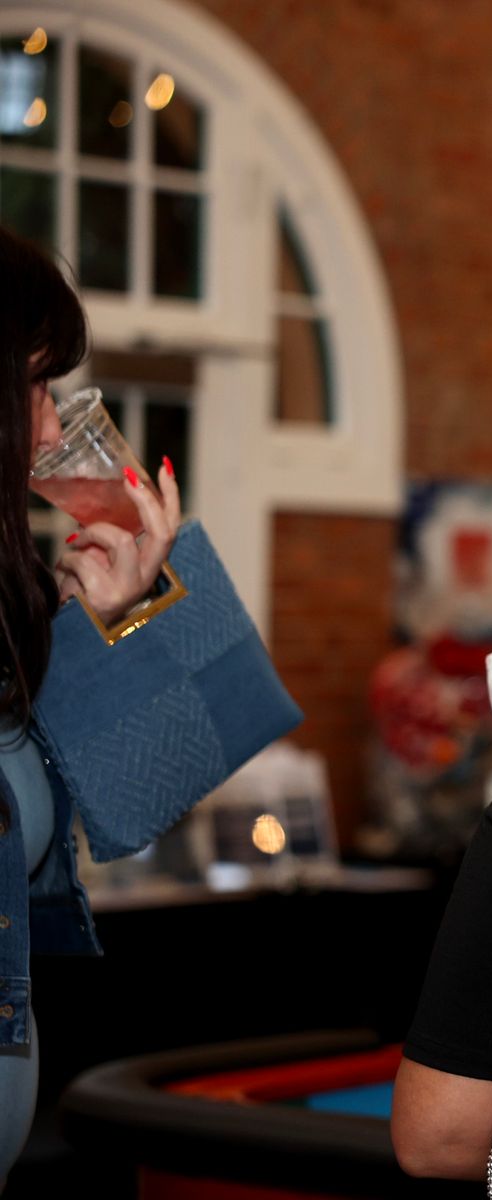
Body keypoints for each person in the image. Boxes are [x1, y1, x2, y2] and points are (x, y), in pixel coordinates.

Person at [0, 228, 183, 1175]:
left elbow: (141, 799)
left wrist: (113, 616)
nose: (47, 431)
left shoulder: (13, 605)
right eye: (35, 385)